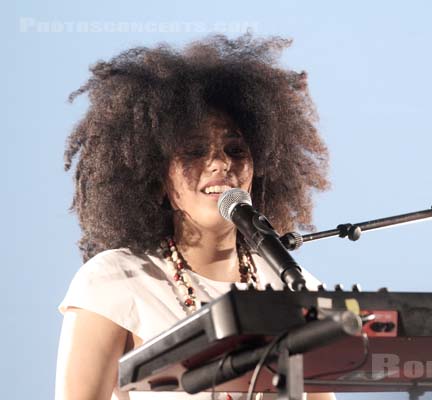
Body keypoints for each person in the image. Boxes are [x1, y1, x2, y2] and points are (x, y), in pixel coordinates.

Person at [55, 34, 333, 400]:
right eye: (194, 151)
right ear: (157, 178)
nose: (220, 163)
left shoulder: (294, 285)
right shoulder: (115, 279)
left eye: (235, 150)